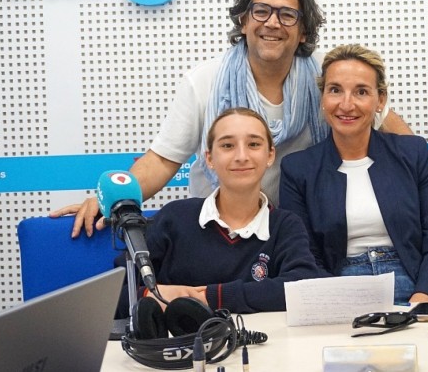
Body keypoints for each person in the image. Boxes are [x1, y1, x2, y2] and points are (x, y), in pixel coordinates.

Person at [52, 0, 411, 237]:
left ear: (303, 31)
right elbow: (162, 161)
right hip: (219, 231)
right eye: (261, 12)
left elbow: (382, 119)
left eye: (288, 15)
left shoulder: (325, 80)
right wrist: (111, 199)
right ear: (243, 21)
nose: (273, 23)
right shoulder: (204, 82)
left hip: (296, 232)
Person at [279, 44, 428, 305]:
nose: (346, 104)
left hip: (414, 286)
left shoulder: (414, 153)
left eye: (361, 92)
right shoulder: (298, 169)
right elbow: (303, 256)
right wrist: (332, 306)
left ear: (380, 100)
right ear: (322, 98)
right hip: (337, 293)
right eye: (335, 90)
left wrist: (422, 301)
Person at [115, 107, 319, 316]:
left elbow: (302, 286)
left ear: (270, 155)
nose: (241, 156)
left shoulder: (285, 226)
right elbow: (114, 293)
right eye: (228, 145)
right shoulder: (173, 218)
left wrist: (211, 297)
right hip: (179, 347)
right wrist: (153, 296)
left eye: (254, 144)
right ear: (209, 158)